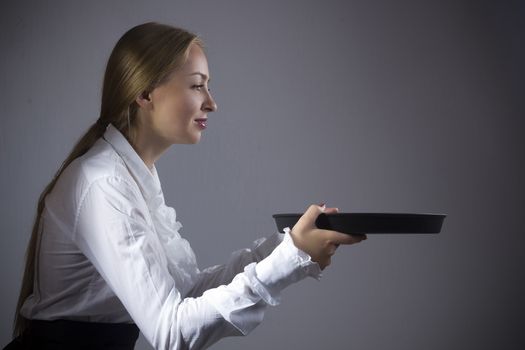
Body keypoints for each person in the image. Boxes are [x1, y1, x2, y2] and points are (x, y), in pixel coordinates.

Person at [4, 22, 366, 350]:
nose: (212, 102)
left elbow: (182, 295)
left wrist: (288, 247)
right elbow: (172, 332)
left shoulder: (129, 176)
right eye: (197, 85)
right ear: (145, 94)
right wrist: (290, 258)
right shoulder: (103, 184)